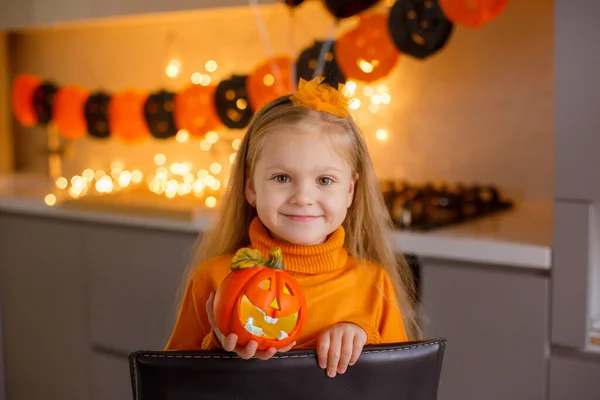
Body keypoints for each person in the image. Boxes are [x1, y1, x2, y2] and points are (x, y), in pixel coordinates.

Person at [165, 76, 419, 378]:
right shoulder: (213, 279)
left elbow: (400, 385)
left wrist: (367, 344)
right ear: (251, 186)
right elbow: (171, 383)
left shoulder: (374, 285)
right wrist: (218, 350)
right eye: (282, 178)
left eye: (324, 180)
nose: (303, 198)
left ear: (350, 191)